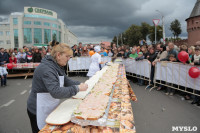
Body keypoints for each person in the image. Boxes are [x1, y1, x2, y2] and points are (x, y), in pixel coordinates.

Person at [27, 43, 88, 133]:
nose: (68, 59)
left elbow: (67, 81)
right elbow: (56, 92)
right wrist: (77, 88)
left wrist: (82, 84)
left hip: (48, 104)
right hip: (38, 109)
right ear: (58, 55)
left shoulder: (57, 66)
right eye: (67, 56)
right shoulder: (47, 68)